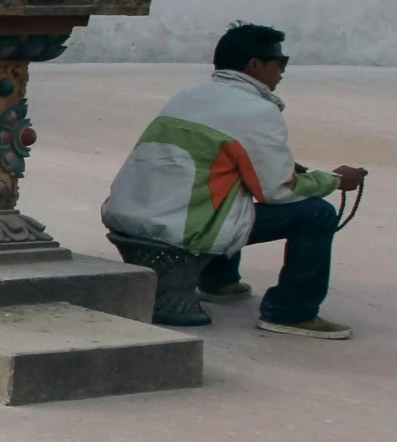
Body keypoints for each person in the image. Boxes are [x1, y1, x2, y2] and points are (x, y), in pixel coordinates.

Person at [101, 23, 367, 339]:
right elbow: (280, 190)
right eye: (280, 63)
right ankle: (291, 312)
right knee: (316, 213)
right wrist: (335, 180)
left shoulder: (187, 97)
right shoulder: (257, 111)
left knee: (224, 185)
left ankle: (220, 281)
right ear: (255, 65)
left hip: (130, 216)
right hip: (181, 227)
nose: (282, 72)